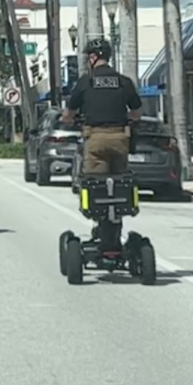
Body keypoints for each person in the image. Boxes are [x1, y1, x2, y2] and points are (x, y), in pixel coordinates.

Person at [61, 38, 142, 252]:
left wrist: (68, 119)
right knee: (119, 185)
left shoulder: (85, 82)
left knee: (96, 186)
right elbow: (136, 113)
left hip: (96, 139)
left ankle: (101, 228)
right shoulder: (124, 82)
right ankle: (115, 228)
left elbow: (69, 113)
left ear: (92, 57)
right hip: (120, 140)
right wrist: (130, 121)